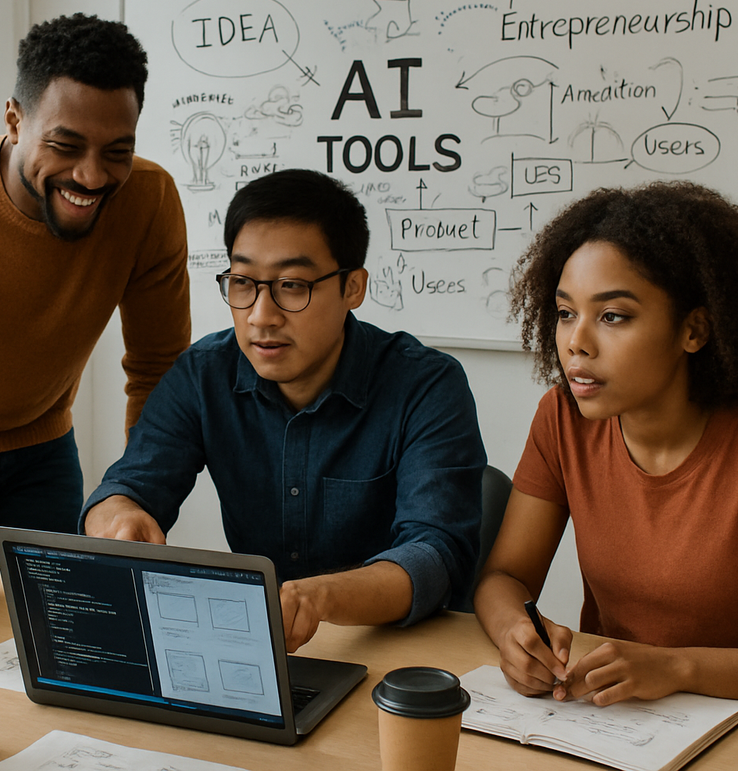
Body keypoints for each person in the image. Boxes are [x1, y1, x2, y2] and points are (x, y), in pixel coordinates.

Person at [82, 169, 486, 652]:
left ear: (352, 287)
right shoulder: (204, 374)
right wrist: (118, 518)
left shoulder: (425, 384)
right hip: (262, 649)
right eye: (242, 282)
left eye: (292, 285)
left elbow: (435, 555)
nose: (260, 315)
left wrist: (318, 598)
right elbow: (128, 486)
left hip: (395, 651)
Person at [475, 181, 738, 705]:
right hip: (617, 724)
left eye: (612, 316)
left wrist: (678, 667)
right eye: (564, 313)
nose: (576, 342)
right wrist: (515, 630)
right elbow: (504, 577)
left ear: (694, 330)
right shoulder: (563, 418)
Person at [0, 13, 190, 567]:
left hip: (44, 451)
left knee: (53, 637)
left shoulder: (149, 202)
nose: (90, 176)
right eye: (66, 144)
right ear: (14, 119)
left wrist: (135, 494)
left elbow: (158, 368)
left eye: (116, 151)